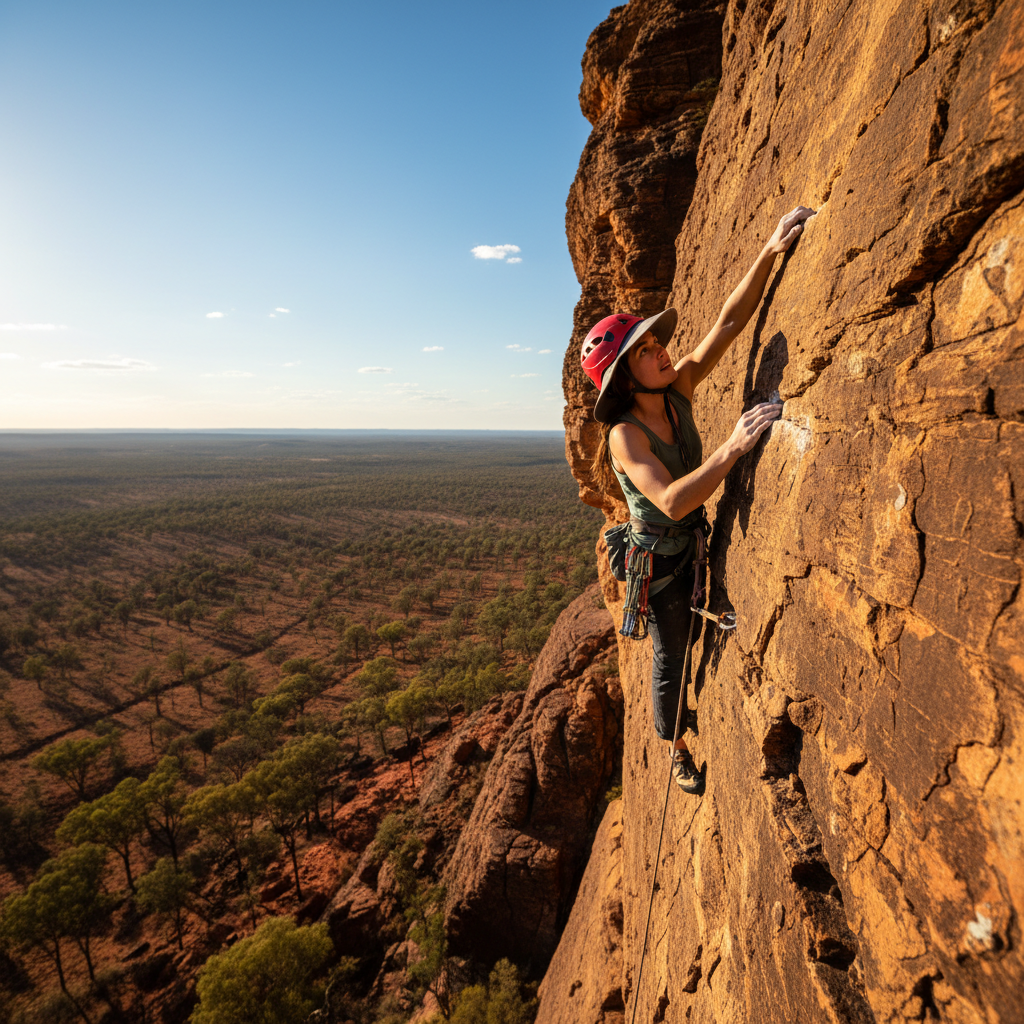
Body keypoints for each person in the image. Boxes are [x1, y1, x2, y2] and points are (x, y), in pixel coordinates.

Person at [580, 205, 814, 794]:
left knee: (693, 631)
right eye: (645, 350)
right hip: (660, 561)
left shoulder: (677, 388)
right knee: (671, 654)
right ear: (624, 378)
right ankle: (675, 746)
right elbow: (670, 500)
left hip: (688, 542)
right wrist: (733, 447)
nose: (662, 350)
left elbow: (727, 324)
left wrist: (769, 250)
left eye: (656, 342)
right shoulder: (625, 434)